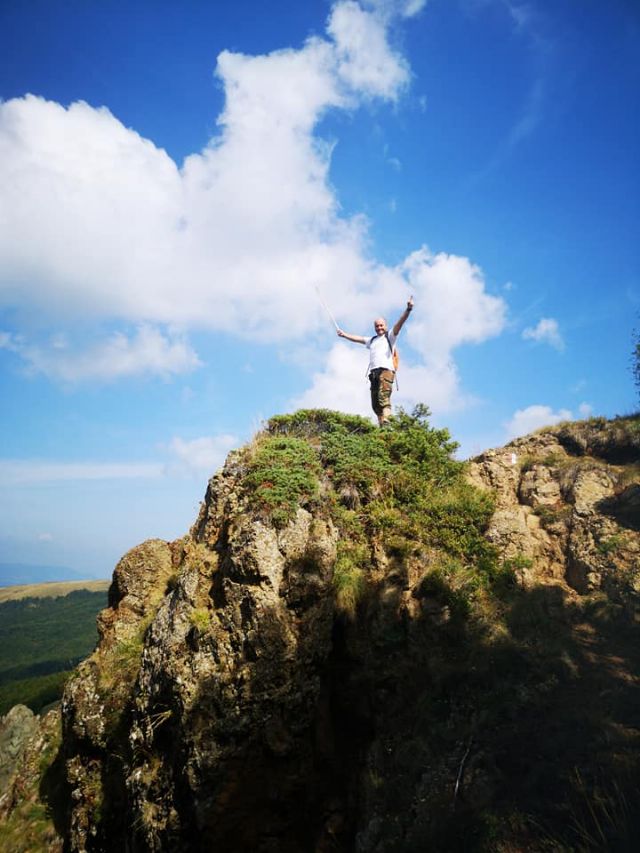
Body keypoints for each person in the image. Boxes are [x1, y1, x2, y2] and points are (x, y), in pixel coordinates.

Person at [337, 296, 414, 425]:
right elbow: (358, 339)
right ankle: (381, 428)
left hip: (386, 371)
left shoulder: (390, 336)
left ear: (385, 326)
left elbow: (400, 323)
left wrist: (408, 309)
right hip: (374, 373)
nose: (379, 328)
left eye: (381, 325)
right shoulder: (372, 340)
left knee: (383, 398)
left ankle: (387, 422)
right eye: (377, 326)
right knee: (376, 404)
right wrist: (344, 335)